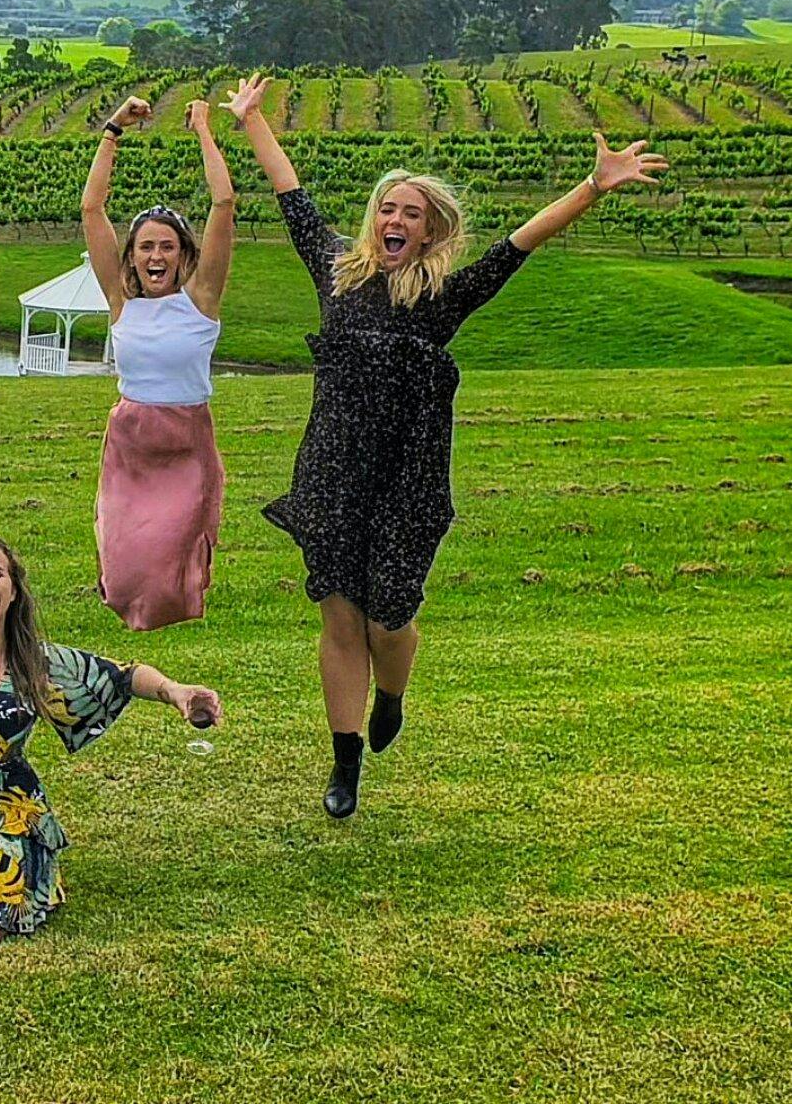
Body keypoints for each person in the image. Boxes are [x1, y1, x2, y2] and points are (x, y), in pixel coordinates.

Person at [223, 72, 668, 818]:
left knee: (386, 619)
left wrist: (593, 186)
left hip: (408, 481)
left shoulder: (443, 296)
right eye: (388, 208)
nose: (396, 219)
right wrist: (250, 120)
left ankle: (390, 694)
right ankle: (344, 766)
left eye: (412, 213)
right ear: (375, 220)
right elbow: (290, 193)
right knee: (338, 617)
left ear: (430, 231)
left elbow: (517, 244)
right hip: (330, 471)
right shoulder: (336, 273)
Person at [0, 383, 223, 941]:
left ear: (13, 591)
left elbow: (125, 675)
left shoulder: (34, 664)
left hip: (3, 810)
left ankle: (32, 866)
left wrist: (179, 692)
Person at [81, 94, 237, 630]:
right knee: (123, 560)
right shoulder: (120, 302)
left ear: (184, 255)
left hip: (186, 437)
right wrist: (112, 132)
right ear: (132, 256)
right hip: (131, 439)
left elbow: (224, 204)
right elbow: (91, 210)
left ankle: (176, 604)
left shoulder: (202, 301)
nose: (155, 257)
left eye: (167, 247)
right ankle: (129, 603)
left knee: (176, 557)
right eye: (146, 247)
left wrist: (203, 131)